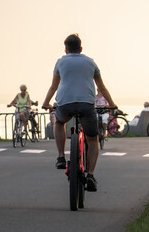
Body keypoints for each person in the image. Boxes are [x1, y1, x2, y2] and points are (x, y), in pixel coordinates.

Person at [42, 33, 116, 192]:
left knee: (59, 122)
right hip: (86, 105)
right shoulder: (91, 62)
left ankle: (61, 157)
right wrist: (111, 104)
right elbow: (102, 88)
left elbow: (53, 87)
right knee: (93, 139)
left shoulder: (60, 62)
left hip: (65, 104)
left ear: (66, 49)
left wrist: (45, 102)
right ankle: (90, 175)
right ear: (80, 48)